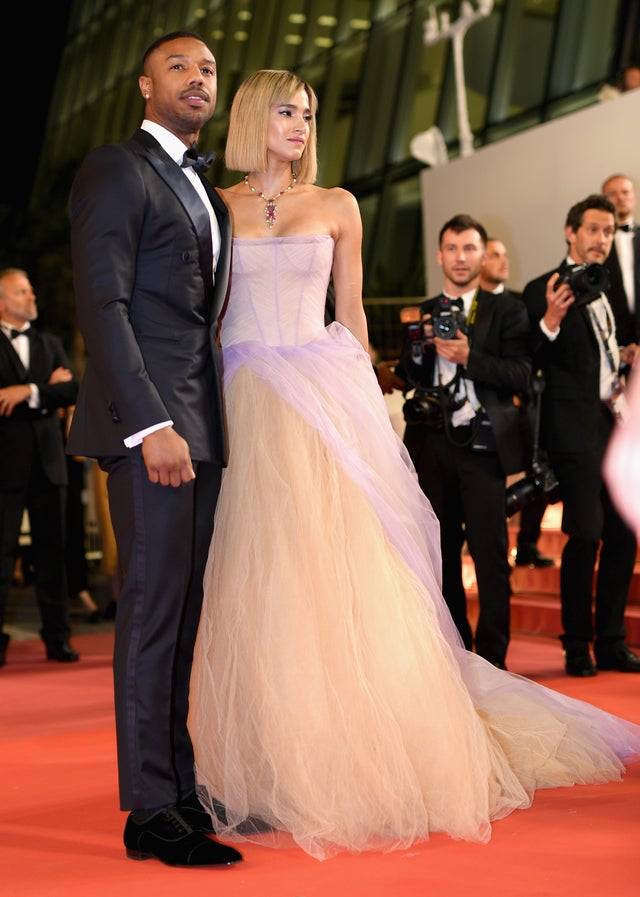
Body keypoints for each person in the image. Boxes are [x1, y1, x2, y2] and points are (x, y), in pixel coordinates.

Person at [187, 69, 640, 862]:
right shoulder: (215, 206)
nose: (301, 125)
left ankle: (356, 748)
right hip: (240, 399)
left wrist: (367, 409)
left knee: (342, 575)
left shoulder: (335, 204)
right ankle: (269, 761)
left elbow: (353, 312)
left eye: (310, 113)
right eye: (288, 111)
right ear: (255, 115)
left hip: (314, 395)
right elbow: (205, 312)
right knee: (257, 580)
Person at [67, 31, 242, 868]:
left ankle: (176, 788)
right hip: (154, 431)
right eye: (179, 65)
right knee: (149, 615)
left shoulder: (207, 190)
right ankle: (147, 811)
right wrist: (149, 424)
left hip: (201, 429)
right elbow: (105, 305)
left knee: (182, 620)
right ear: (144, 86)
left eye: (208, 67)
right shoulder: (115, 167)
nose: (198, 77)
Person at [394, 216, 531, 669]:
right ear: (440, 255)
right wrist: (419, 353)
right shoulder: (422, 311)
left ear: (483, 254)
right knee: (443, 552)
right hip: (432, 446)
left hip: (484, 447)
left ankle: (494, 661)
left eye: (469, 248)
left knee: (491, 557)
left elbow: (521, 375)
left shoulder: (506, 309)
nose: (460, 257)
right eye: (451, 248)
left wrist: (471, 357)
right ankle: (457, 657)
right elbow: (408, 376)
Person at [521, 194, 640, 677]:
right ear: (571, 232)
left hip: (614, 423)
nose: (601, 240)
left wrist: (622, 359)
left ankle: (611, 642)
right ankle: (576, 644)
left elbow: (600, 355)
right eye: (593, 230)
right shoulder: (541, 287)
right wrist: (550, 319)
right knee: (585, 533)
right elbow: (525, 360)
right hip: (572, 432)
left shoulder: (605, 288)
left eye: (608, 232)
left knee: (623, 536)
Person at [0, 268, 80, 668]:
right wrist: (47, 391)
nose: (32, 296)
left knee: (53, 556)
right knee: (1, 556)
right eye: (21, 291)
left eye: (31, 289)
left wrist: (26, 391)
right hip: (5, 467)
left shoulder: (49, 342)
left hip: (50, 465)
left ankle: (58, 639)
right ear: (2, 303)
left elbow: (71, 388)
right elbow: (57, 391)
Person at [480, 238, 554, 569]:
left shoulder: (519, 304)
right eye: (495, 255)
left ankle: (527, 543)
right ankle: (494, 558)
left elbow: (531, 354)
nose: (504, 260)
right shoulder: (468, 308)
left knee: (539, 473)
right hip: (485, 411)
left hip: (525, 403)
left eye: (505, 254)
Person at [601, 174, 640, 359]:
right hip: (612, 344)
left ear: (635, 196)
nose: (620, 197)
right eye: (613, 193)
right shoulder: (596, 247)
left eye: (625, 192)